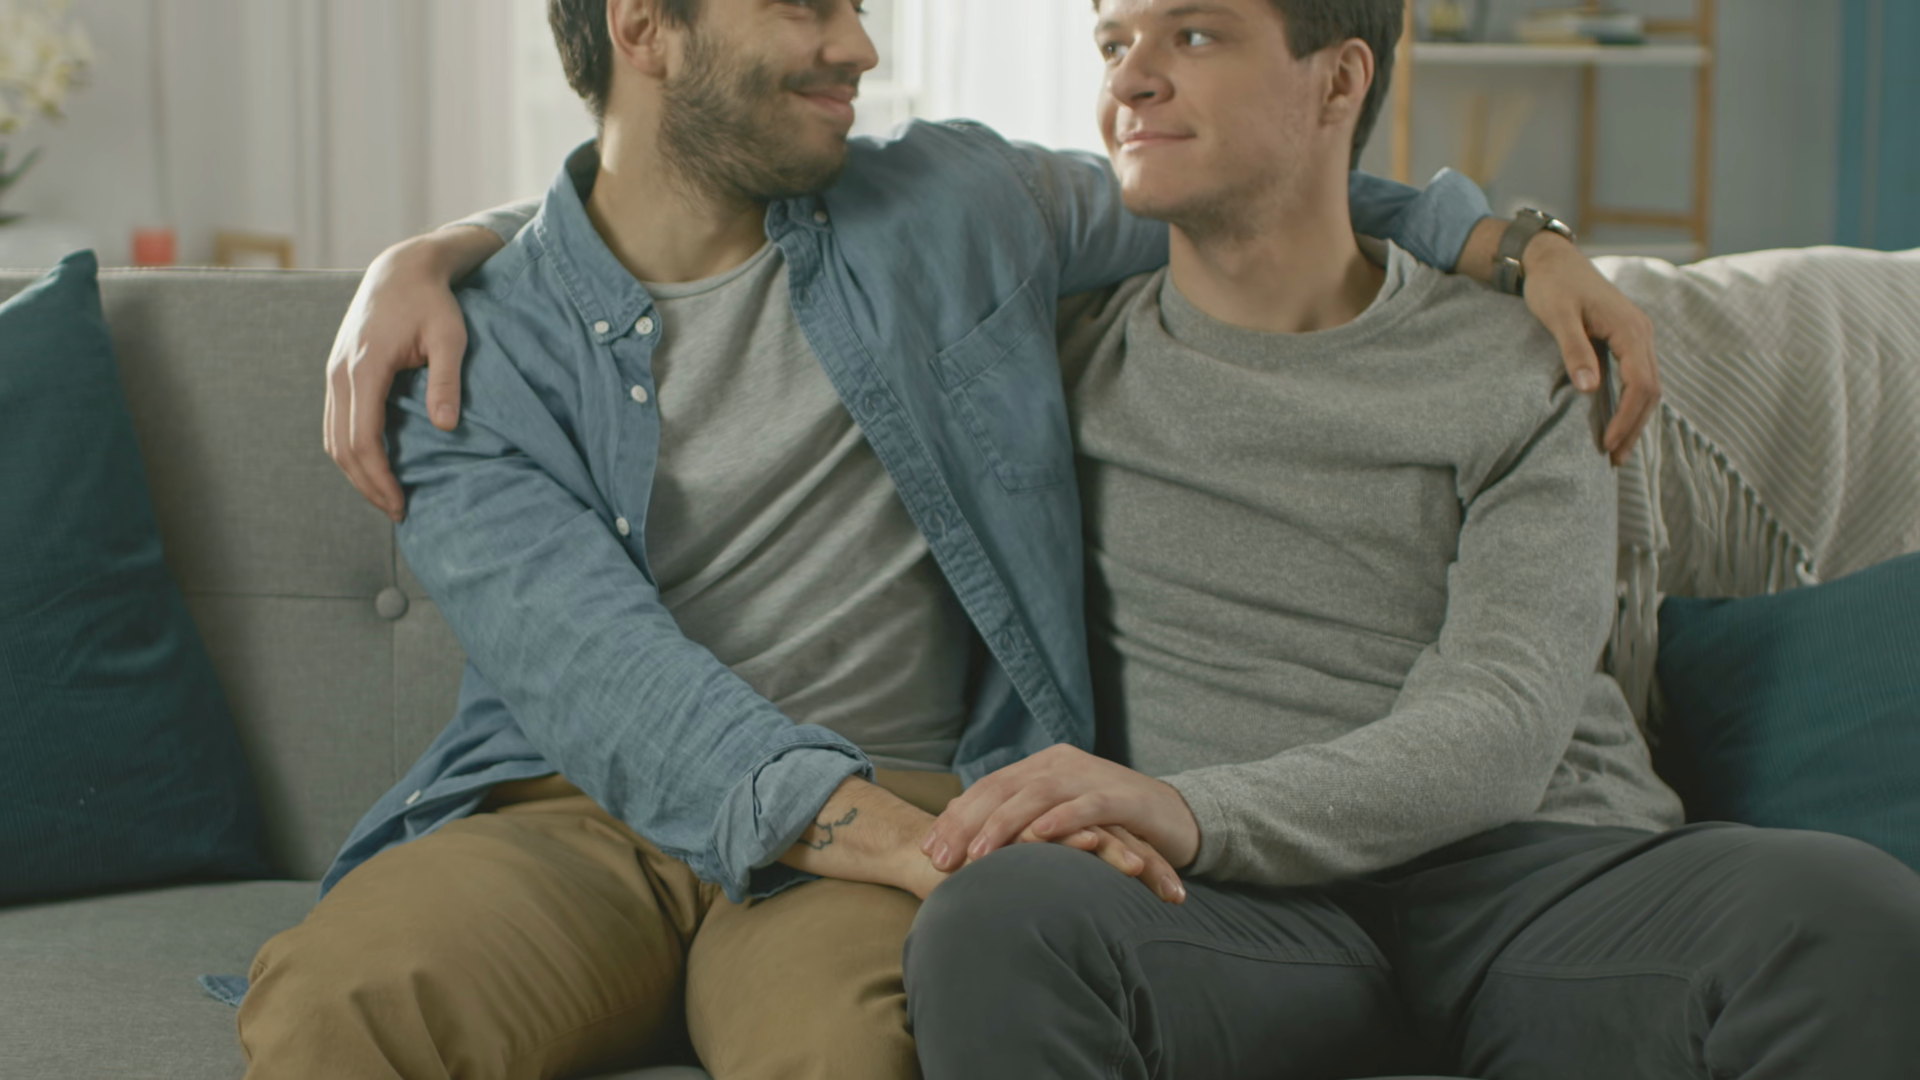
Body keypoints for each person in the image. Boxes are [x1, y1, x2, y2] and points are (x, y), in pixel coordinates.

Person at [285, 2, 1663, 1079]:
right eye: (807, 5)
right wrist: (442, 251)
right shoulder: (465, 351)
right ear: (645, 27)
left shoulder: (954, 205)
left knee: (861, 1053)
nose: (859, 46)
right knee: (335, 1013)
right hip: (580, 811)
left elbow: (1249, 177)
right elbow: (599, 674)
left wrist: (1516, 245)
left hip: (911, 790)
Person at [903, 2, 1920, 1077]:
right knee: (994, 921)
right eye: (1115, 44)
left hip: (1536, 880)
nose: (1130, 80)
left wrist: (1191, 808)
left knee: (1843, 910)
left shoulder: (1529, 359)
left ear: (1340, 81)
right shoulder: (1047, 376)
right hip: (1231, 912)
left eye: (1194, 36)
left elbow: (1505, 717)